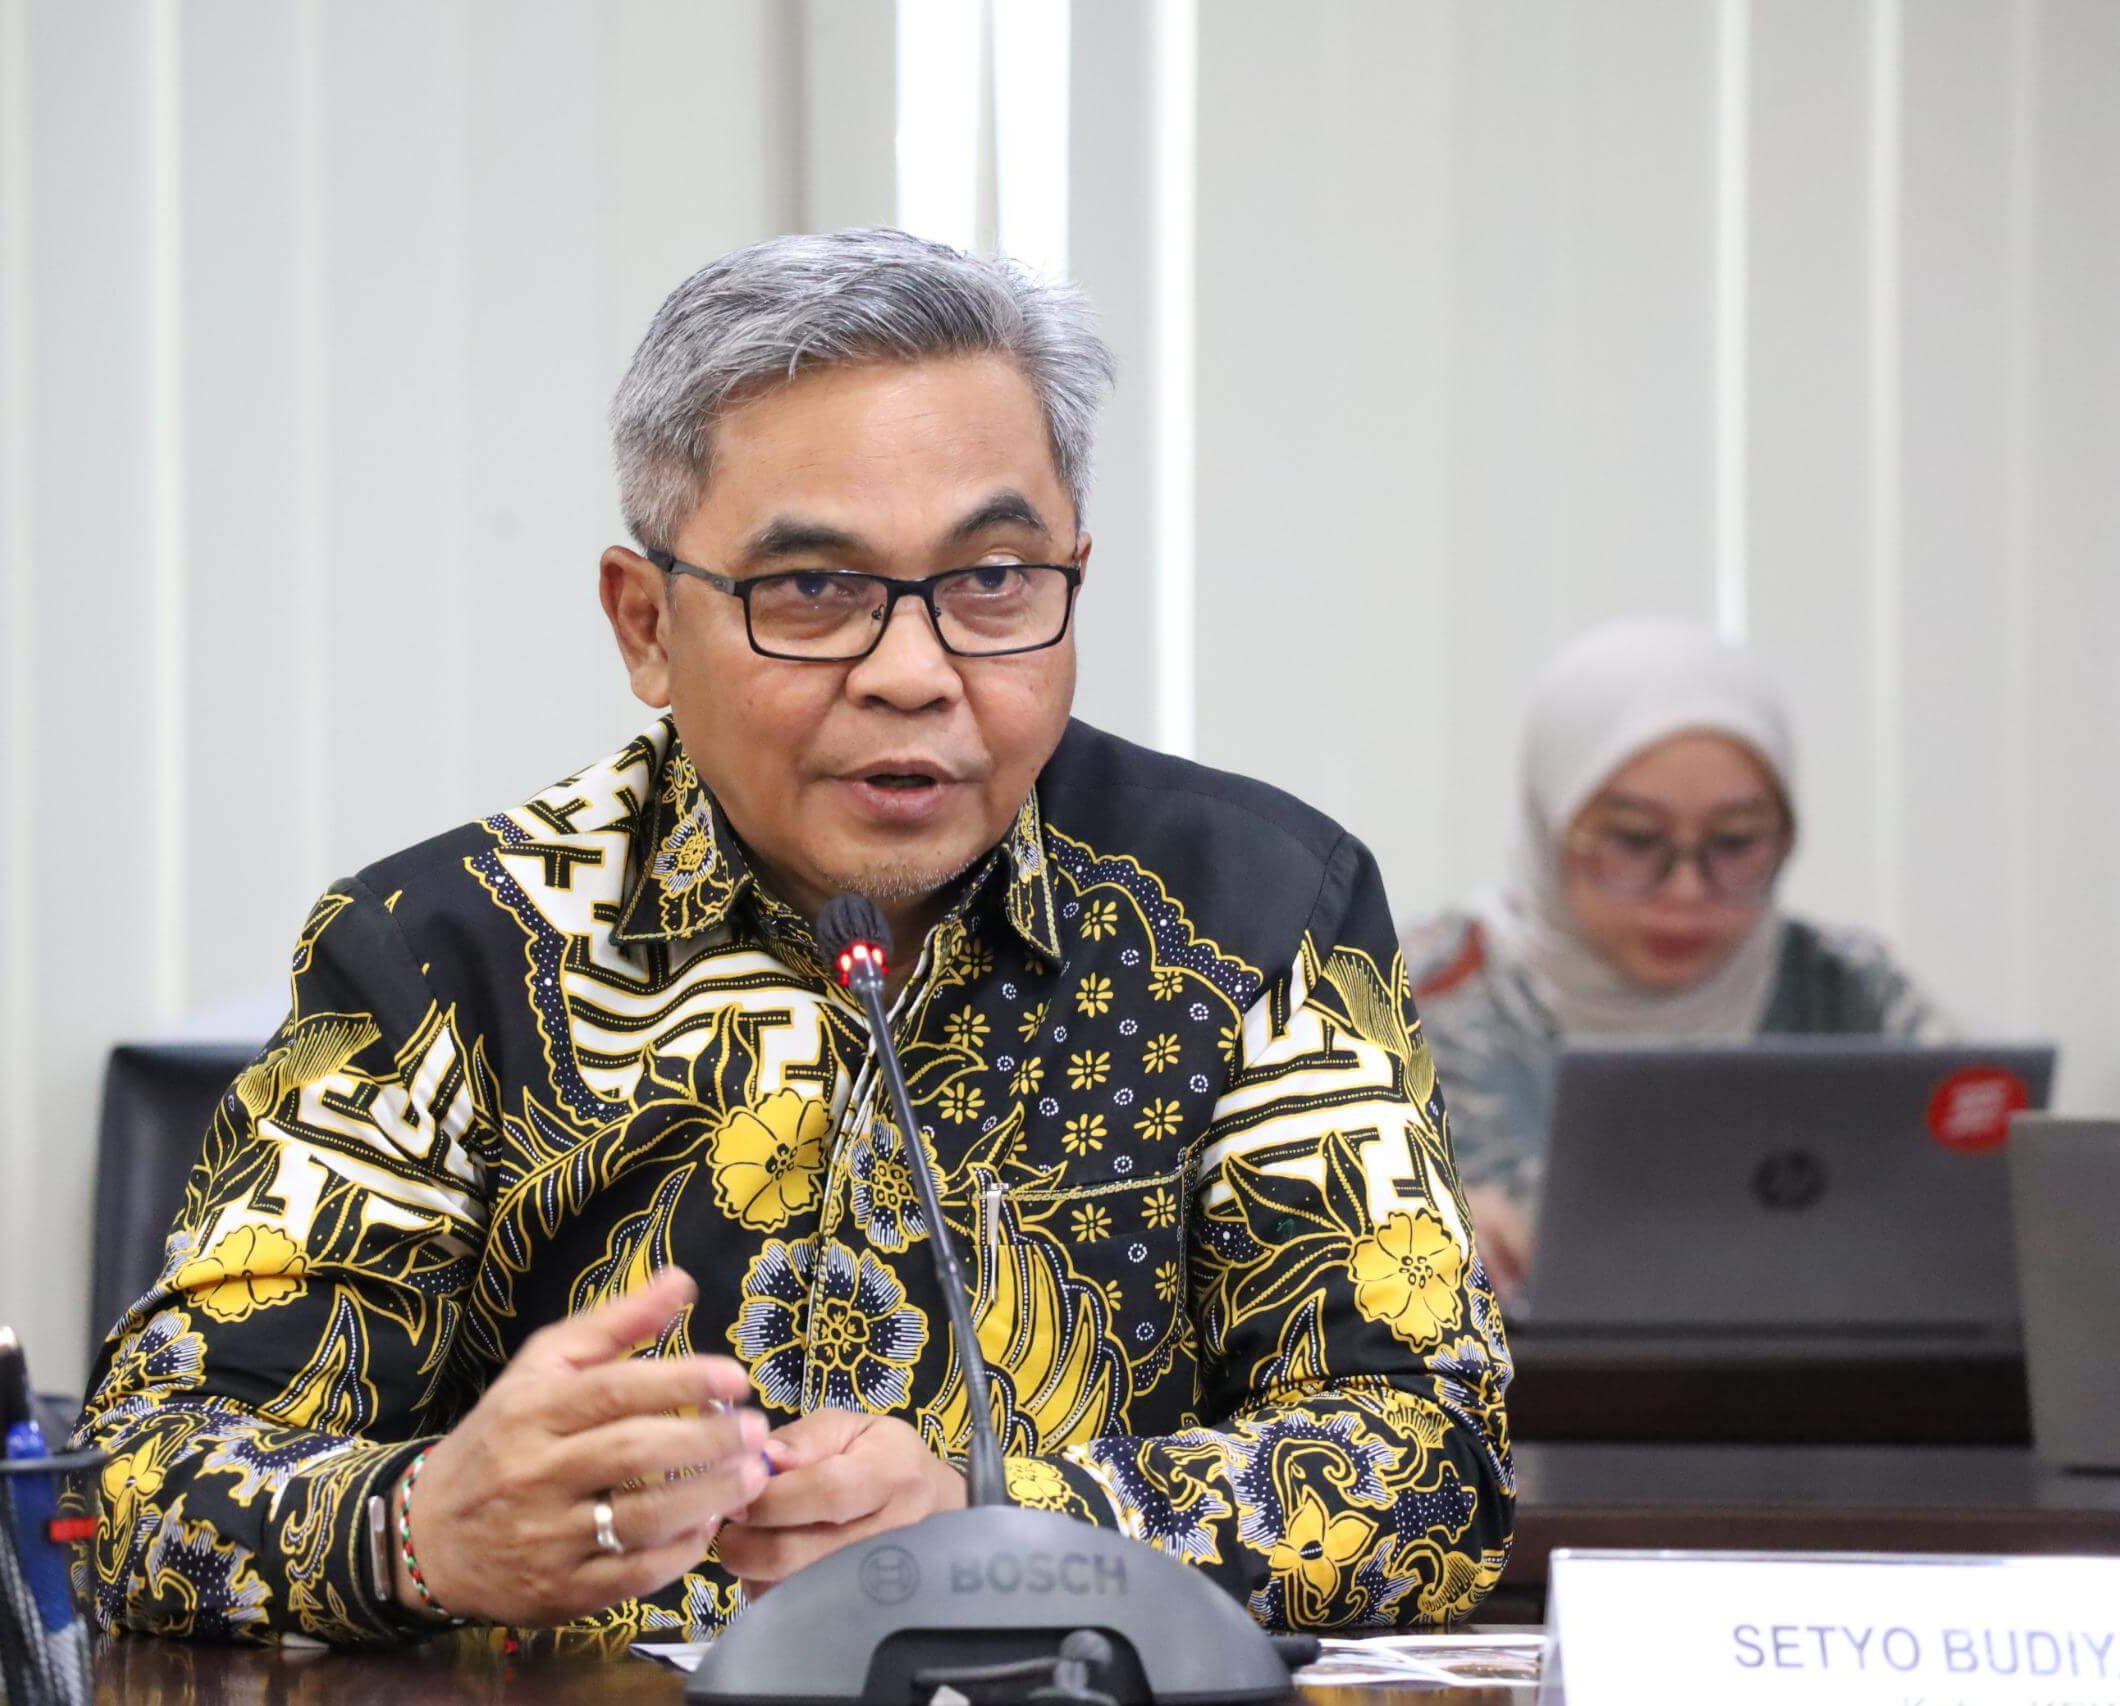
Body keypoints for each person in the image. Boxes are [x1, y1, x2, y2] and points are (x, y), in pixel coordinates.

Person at [80, 229, 1513, 1648]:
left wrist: (999, 1522)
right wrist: (422, 1529)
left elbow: (1429, 1458)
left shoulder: (1253, 912)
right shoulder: (442, 953)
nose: (913, 672)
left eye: (993, 579)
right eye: (814, 590)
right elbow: (138, 1475)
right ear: (647, 623)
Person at [1406, 617, 1945, 1304]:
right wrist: (1389, 1233)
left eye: (1736, 841)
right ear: (1551, 827)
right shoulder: (1407, 1000)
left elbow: (1978, 1221)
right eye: (1635, 841)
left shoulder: (1849, 994)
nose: (1687, 890)